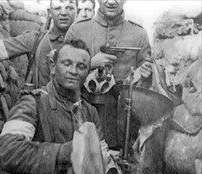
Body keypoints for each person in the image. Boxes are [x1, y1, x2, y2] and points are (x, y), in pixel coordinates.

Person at [0, 39, 104, 174]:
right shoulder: (33, 103)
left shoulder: (89, 112)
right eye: (67, 63)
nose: (73, 71)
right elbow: (6, 149)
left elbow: (99, 159)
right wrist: (61, 153)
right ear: (53, 66)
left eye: (81, 66)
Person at [65, 0, 153, 149]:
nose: (111, 1)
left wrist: (144, 74)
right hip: (82, 115)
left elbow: (146, 88)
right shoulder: (78, 30)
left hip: (123, 124)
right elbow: (62, 71)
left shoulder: (139, 34)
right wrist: (90, 63)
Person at [0, 0, 77, 88]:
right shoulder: (36, 39)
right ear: (50, 12)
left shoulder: (86, 42)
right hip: (41, 111)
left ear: (77, 11)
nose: (64, 13)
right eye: (57, 8)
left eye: (70, 7)